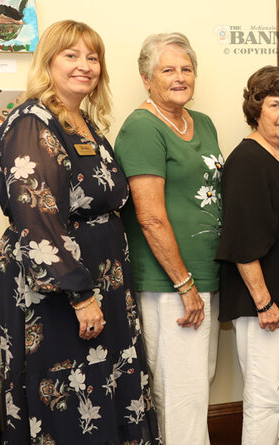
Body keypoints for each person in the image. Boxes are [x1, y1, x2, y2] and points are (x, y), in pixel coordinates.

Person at [0, 20, 160, 443]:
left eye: (93, 57)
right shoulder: (32, 119)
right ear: (47, 60)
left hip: (105, 276)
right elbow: (37, 215)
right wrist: (81, 294)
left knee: (107, 380)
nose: (85, 65)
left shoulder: (82, 120)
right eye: (71, 55)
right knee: (67, 389)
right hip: (58, 286)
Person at [114, 32, 222, 445]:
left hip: (204, 274)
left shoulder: (205, 123)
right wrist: (184, 283)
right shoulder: (142, 127)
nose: (180, 77)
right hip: (170, 282)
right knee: (181, 391)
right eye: (168, 70)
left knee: (199, 382)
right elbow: (150, 217)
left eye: (186, 69)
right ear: (146, 77)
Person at [215, 66, 279, 445]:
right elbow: (241, 241)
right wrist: (264, 301)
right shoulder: (248, 160)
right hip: (263, 305)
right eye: (276, 104)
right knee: (264, 398)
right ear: (257, 110)